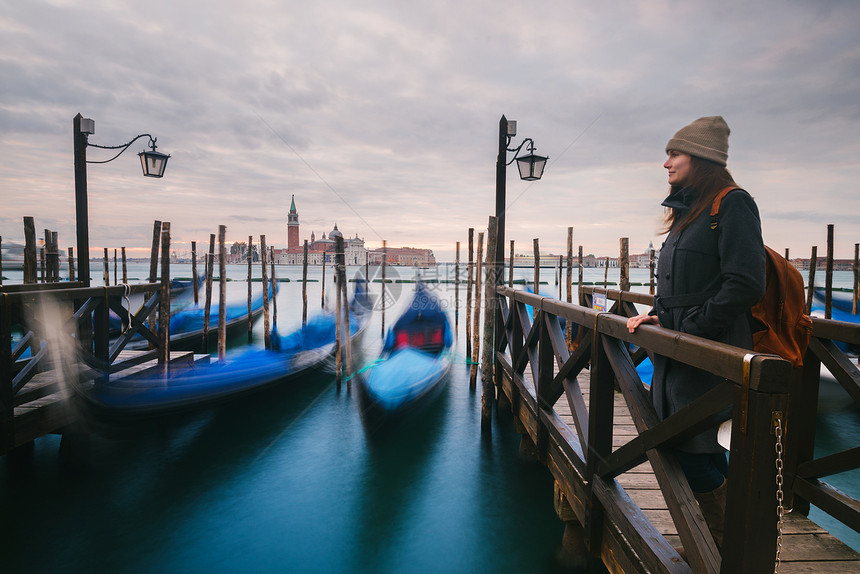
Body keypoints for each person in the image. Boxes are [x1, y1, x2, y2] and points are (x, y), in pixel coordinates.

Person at [626, 116, 766, 549]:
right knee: (689, 445)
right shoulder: (689, 214)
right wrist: (661, 322)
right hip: (680, 352)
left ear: (702, 157)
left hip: (709, 353)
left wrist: (691, 333)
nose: (665, 162)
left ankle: (723, 542)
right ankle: (723, 536)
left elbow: (744, 283)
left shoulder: (733, 203)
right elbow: (682, 287)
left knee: (692, 449)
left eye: (675, 153)